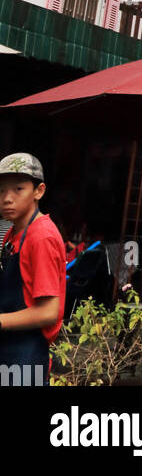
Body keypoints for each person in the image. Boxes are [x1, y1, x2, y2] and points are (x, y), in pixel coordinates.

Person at [0, 152, 66, 387]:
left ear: (38, 191)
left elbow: (48, 311)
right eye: (1, 191)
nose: (7, 198)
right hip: (9, 348)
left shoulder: (41, 236)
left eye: (18, 189)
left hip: (25, 355)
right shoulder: (13, 232)